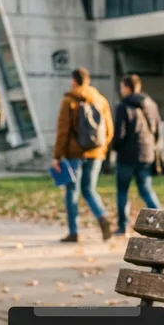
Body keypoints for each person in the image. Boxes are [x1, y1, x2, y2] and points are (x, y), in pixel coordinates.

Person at [53, 67, 115, 243]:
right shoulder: (101, 101)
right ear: (88, 81)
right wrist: (101, 148)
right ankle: (102, 217)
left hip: (74, 154)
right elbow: (109, 130)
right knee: (89, 189)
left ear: (73, 81)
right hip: (96, 154)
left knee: (72, 192)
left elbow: (63, 131)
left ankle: (73, 232)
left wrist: (57, 155)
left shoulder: (68, 101)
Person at [111, 74, 163, 235]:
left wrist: (114, 147)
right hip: (146, 154)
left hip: (127, 156)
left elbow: (120, 133)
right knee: (146, 190)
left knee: (122, 191)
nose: (121, 90)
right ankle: (162, 222)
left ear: (127, 87)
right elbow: (157, 130)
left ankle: (122, 226)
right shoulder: (151, 104)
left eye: (122, 87)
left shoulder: (123, 106)